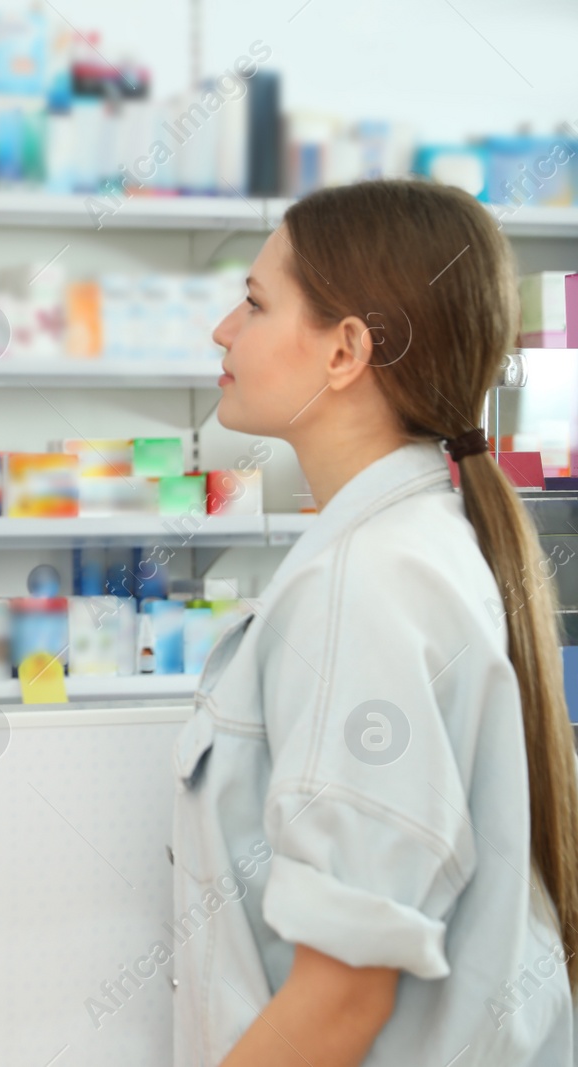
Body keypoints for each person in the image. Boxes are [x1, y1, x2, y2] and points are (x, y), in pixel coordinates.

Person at [176, 178, 578, 1065]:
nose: (223, 330)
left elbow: (344, 994)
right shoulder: (409, 540)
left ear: (346, 350)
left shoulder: (369, 580)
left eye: (253, 302)